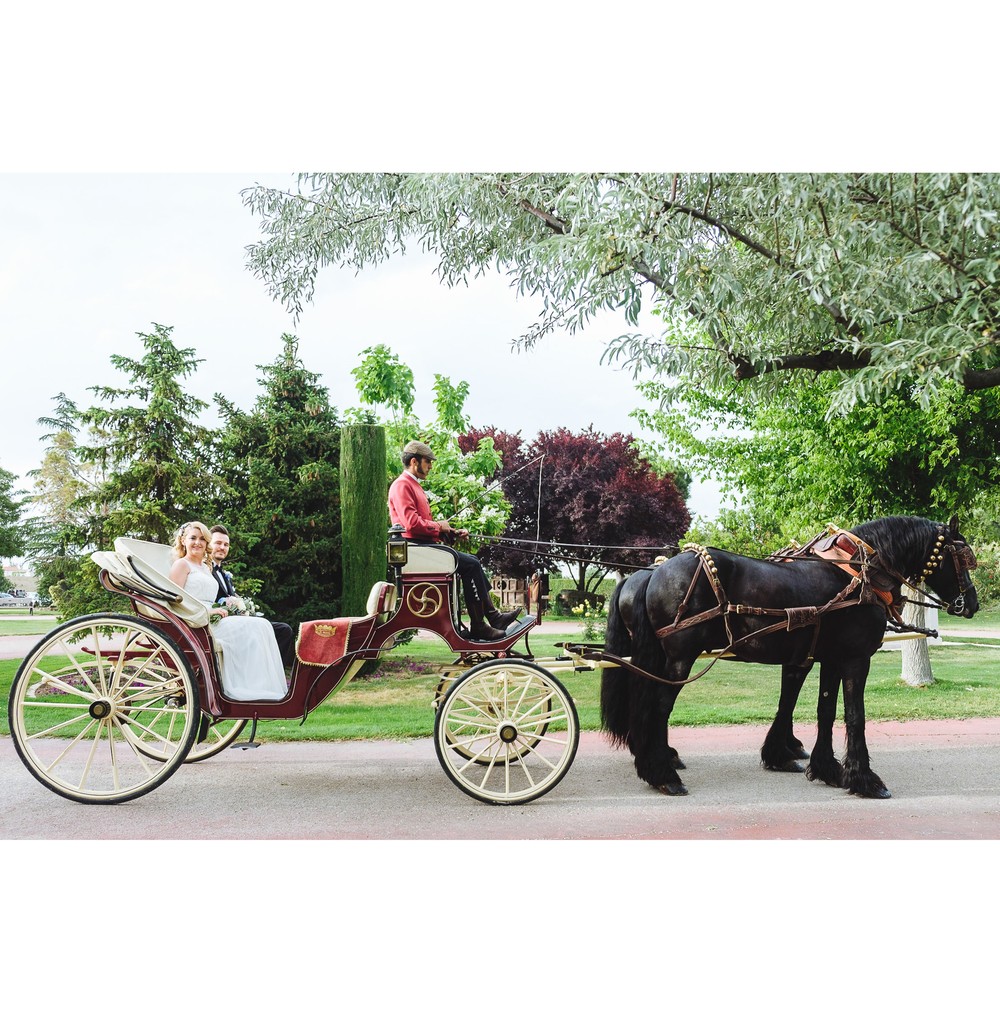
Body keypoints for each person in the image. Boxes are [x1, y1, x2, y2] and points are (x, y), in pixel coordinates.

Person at [388, 440, 520, 642]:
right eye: (428, 462)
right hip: (415, 550)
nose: (431, 466)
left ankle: (492, 618)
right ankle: (483, 623)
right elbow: (411, 524)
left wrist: (449, 532)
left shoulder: (412, 485)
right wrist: (438, 526)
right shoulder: (402, 485)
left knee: (471, 562)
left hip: (422, 546)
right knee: (471, 564)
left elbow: (422, 526)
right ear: (414, 462)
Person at [168, 521, 288, 701]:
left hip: (214, 617)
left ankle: (258, 684)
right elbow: (176, 602)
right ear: (183, 540)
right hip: (197, 622)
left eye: (202, 539)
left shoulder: (205, 568)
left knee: (262, 625)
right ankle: (247, 686)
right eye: (193, 538)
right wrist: (208, 613)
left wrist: (222, 609)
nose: (197, 543)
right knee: (258, 627)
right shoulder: (181, 565)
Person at [208, 524, 295, 668]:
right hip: (223, 624)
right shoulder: (205, 570)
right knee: (282, 630)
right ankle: (264, 672)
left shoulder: (224, 574)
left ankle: (269, 672)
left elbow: (232, 597)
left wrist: (243, 607)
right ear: (208, 544)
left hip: (237, 621)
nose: (222, 547)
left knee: (283, 630)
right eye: (218, 543)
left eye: (226, 544)